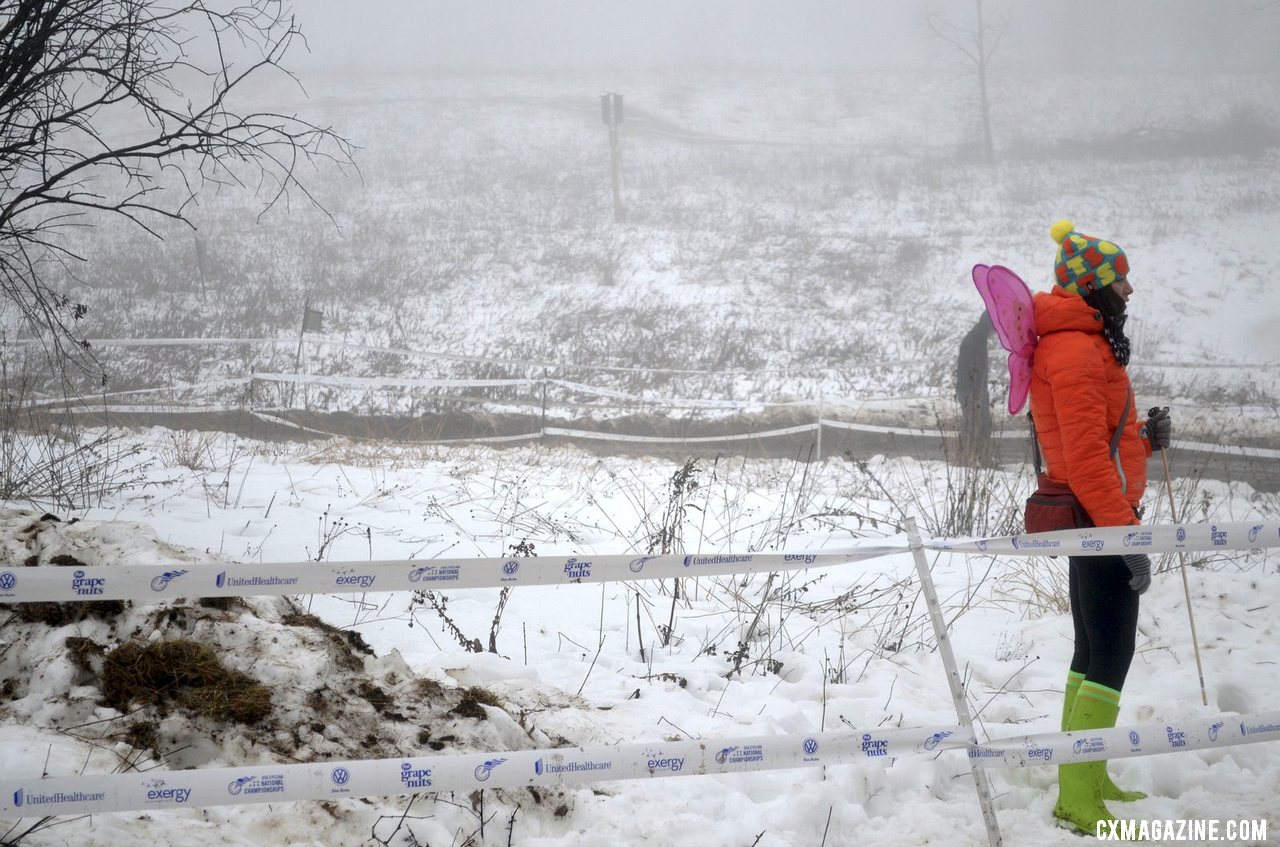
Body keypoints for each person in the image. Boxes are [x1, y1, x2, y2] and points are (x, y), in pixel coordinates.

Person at [1028, 219, 1172, 833]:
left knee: (1093, 650)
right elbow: (1086, 460)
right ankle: (1077, 797)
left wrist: (1143, 438)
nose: (1130, 292)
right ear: (1093, 286)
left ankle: (1086, 774)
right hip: (1099, 518)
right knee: (1111, 651)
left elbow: (1091, 443)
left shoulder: (1077, 343)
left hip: (1094, 513)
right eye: (1121, 281)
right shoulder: (1079, 350)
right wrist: (1128, 537)